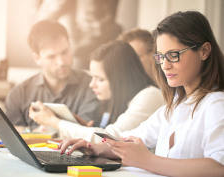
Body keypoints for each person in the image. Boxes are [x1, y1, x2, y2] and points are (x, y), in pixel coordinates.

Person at [59, 11, 224, 176]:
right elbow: (128, 140)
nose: (164, 66)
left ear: (204, 51)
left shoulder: (217, 104)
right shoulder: (174, 107)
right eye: (161, 56)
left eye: (173, 55)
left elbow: (220, 167)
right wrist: (96, 148)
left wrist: (147, 161)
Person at [29, 40, 165, 142]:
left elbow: (110, 139)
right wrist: (83, 129)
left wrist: (54, 122)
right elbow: (103, 136)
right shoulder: (118, 102)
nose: (91, 84)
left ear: (120, 79)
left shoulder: (150, 96)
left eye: (99, 79)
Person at [5, 20, 101, 133]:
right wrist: (33, 132)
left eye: (65, 52)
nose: (61, 62)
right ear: (37, 58)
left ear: (70, 46)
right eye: (51, 57)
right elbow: (10, 134)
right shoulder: (17, 94)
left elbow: (86, 132)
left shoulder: (93, 87)